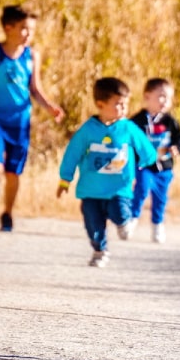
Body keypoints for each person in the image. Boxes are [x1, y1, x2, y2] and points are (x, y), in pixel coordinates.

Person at [0, 4, 65, 232]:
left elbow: (35, 87)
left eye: (31, 30)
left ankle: (7, 213)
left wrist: (49, 106)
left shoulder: (32, 56)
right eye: (24, 28)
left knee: (14, 171)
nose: (29, 34)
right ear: (8, 28)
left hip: (20, 122)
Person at [57, 77, 157, 268]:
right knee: (93, 224)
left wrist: (147, 161)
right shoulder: (88, 130)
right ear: (100, 104)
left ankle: (124, 222)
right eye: (118, 104)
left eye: (125, 104)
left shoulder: (128, 127)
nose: (123, 109)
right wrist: (65, 180)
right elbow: (72, 154)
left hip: (119, 188)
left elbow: (145, 149)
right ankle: (99, 251)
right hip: (90, 190)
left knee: (119, 212)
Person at [128, 78, 180, 243]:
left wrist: (177, 148)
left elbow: (179, 138)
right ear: (147, 96)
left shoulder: (169, 121)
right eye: (161, 96)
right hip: (144, 166)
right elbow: (129, 138)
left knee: (161, 198)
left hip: (164, 167)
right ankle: (132, 220)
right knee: (141, 190)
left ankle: (157, 225)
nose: (165, 101)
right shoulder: (137, 120)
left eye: (168, 98)